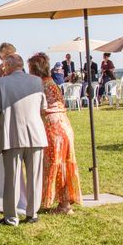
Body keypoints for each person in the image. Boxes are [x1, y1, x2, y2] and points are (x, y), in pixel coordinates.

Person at [0, 54, 48, 226]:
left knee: (12, 179)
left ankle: (11, 217)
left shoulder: (0, 83)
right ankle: (32, 213)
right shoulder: (37, 81)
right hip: (36, 134)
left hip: (12, 134)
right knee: (35, 176)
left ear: (7, 66)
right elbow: (43, 107)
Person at [28, 53, 82, 214]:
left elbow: (40, 107)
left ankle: (62, 205)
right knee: (65, 163)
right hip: (64, 124)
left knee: (54, 164)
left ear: (34, 69)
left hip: (53, 128)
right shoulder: (52, 82)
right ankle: (64, 203)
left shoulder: (40, 85)